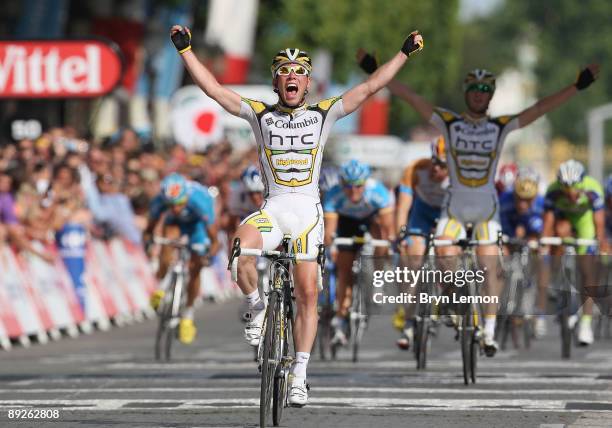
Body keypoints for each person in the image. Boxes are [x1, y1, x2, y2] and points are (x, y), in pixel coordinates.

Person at [170, 24, 423, 406]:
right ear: (275, 82)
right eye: (285, 72)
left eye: (300, 73)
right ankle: (256, 305)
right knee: (240, 250)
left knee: (307, 293)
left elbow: (372, 87)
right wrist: (185, 50)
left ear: (308, 85)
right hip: (272, 210)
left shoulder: (324, 114)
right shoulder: (259, 114)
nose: (292, 76)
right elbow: (214, 90)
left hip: (307, 214)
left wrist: (402, 53)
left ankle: (300, 374)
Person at [358, 50, 600, 356]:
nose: (479, 94)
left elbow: (538, 108)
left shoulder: (500, 126)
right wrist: (377, 70)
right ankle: (453, 294)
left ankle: (487, 330)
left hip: (487, 208)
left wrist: (576, 86)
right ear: (467, 93)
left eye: (486, 90)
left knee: (490, 265)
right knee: (445, 253)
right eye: (475, 89)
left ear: (491, 96)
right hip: (455, 206)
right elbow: (412, 97)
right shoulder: (449, 122)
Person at [323, 159, 394, 346]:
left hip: (370, 221)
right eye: (348, 186)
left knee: (381, 236)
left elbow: (388, 228)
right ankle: (341, 314)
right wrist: (332, 249)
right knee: (343, 270)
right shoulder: (333, 195)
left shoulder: (377, 192)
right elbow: (329, 233)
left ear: (365, 183)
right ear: (341, 183)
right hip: (346, 224)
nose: (353, 191)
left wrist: (388, 244)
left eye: (358, 186)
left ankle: (378, 276)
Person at [147, 173, 219, 345]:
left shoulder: (200, 201)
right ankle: (161, 287)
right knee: (166, 245)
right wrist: (149, 242)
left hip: (197, 226)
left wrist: (208, 255)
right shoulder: (160, 201)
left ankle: (187, 314)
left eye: (179, 204)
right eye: (170, 205)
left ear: (185, 197)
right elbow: (150, 229)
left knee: (195, 268)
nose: (175, 209)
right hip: (174, 224)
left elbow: (214, 240)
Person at [542, 160, 606, 345]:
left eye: (574, 189)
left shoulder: (592, 189)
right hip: (565, 221)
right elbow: (548, 220)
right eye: (566, 189)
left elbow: (599, 222)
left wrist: (599, 241)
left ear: (582, 183)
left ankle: (586, 324)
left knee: (588, 271)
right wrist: (544, 244)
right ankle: (557, 277)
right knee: (558, 233)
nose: (570, 193)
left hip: (585, 222)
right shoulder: (553, 190)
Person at [394, 136, 449, 349]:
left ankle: (448, 296)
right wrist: (401, 233)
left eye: (443, 165)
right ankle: (408, 321)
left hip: (447, 215)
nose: (436, 168)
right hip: (422, 214)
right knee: (413, 257)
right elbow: (403, 206)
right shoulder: (416, 169)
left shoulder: (459, 177)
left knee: (448, 255)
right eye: (434, 162)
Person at [499, 167, 547, 336]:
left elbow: (541, 231)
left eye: (527, 200)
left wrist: (536, 241)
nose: (522, 204)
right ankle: (502, 299)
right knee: (500, 256)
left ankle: (539, 313)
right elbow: (499, 227)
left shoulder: (541, 203)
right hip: (509, 230)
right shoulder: (504, 199)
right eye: (519, 199)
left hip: (530, 232)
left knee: (541, 260)